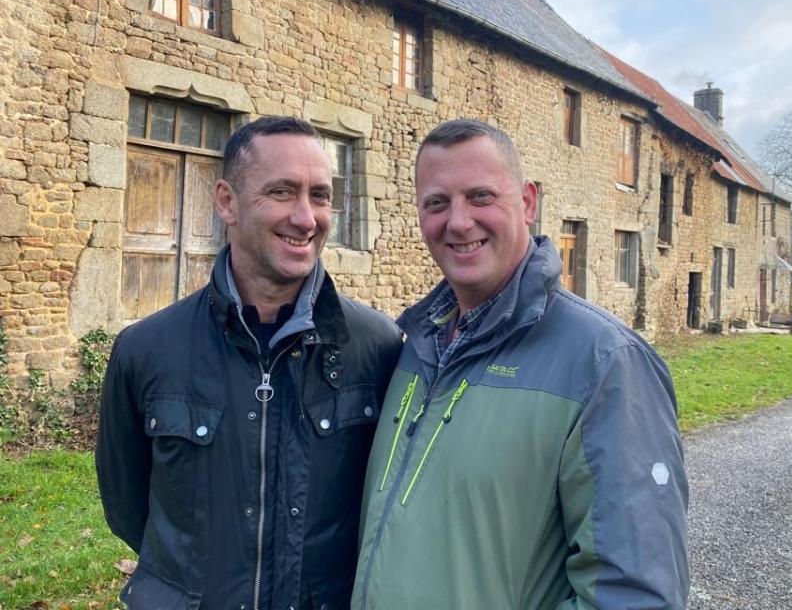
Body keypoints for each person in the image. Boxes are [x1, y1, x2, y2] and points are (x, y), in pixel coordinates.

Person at [352, 119, 689, 609]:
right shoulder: (414, 347)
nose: (459, 221)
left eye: (481, 196)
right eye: (437, 203)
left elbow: (635, 598)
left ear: (528, 202)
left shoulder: (606, 364)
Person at [96, 116, 402, 610]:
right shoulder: (145, 349)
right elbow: (127, 505)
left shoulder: (379, 348)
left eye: (320, 196)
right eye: (282, 192)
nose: (306, 218)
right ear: (226, 202)